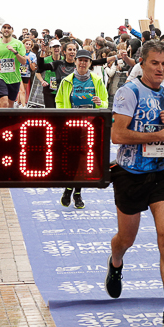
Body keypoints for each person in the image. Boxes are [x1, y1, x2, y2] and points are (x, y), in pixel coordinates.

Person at [104, 39, 164, 327]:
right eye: (154, 63)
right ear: (141, 63)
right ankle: (116, 262)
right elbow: (117, 135)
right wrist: (157, 135)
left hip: (161, 174)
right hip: (129, 174)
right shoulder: (128, 92)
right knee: (125, 239)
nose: (160, 69)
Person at [55, 49, 109, 209]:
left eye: (86, 60)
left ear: (90, 63)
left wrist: (99, 103)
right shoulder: (67, 81)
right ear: (75, 62)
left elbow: (105, 102)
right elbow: (59, 101)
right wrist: (62, 118)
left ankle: (75, 193)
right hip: (71, 126)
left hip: (90, 127)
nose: (83, 63)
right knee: (72, 160)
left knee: (83, 161)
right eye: (80, 60)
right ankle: (70, 190)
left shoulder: (97, 80)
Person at [0, 23, 28, 108]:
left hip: (14, 78)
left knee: (10, 104)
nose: (6, 29)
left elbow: (23, 61)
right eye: (4, 27)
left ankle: (6, 117)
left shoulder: (18, 43)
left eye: (9, 28)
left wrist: (15, 52)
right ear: (1, 30)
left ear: (12, 30)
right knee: (4, 102)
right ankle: (1, 117)